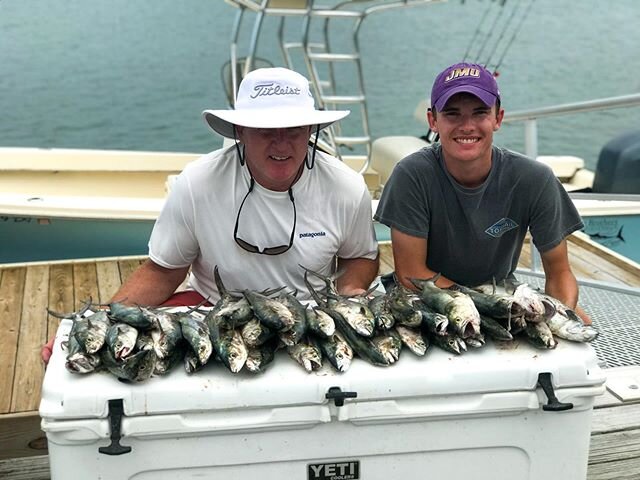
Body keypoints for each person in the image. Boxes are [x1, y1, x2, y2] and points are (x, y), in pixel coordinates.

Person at [42, 67, 379, 363]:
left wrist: (350, 287)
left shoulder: (346, 187)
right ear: (240, 133)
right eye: (265, 131)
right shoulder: (197, 183)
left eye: (293, 131)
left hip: (309, 315)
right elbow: (163, 271)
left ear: (311, 131)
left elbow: (360, 257)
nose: (281, 144)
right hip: (212, 312)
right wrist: (97, 322)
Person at [374, 61, 591, 325]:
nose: (467, 126)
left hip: (499, 294)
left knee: (576, 323)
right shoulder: (411, 175)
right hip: (425, 300)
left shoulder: (535, 179)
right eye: (452, 114)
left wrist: (561, 314)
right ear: (433, 120)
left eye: (479, 113)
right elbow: (412, 276)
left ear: (498, 118)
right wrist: (490, 308)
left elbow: (559, 273)